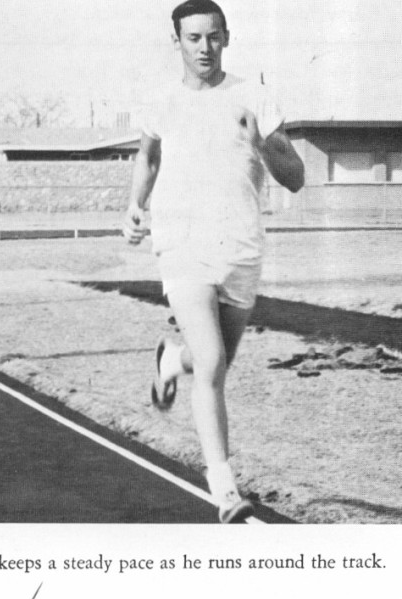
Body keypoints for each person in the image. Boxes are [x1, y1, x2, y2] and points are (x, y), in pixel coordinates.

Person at [123, 0, 304, 523]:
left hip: (240, 246)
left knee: (216, 359)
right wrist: (135, 204)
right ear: (176, 41)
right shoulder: (161, 100)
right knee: (213, 362)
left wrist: (261, 142)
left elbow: (295, 178)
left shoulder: (255, 97)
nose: (204, 48)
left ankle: (170, 361)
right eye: (193, 38)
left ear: (227, 37)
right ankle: (223, 488)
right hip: (181, 242)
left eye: (213, 37)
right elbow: (148, 156)